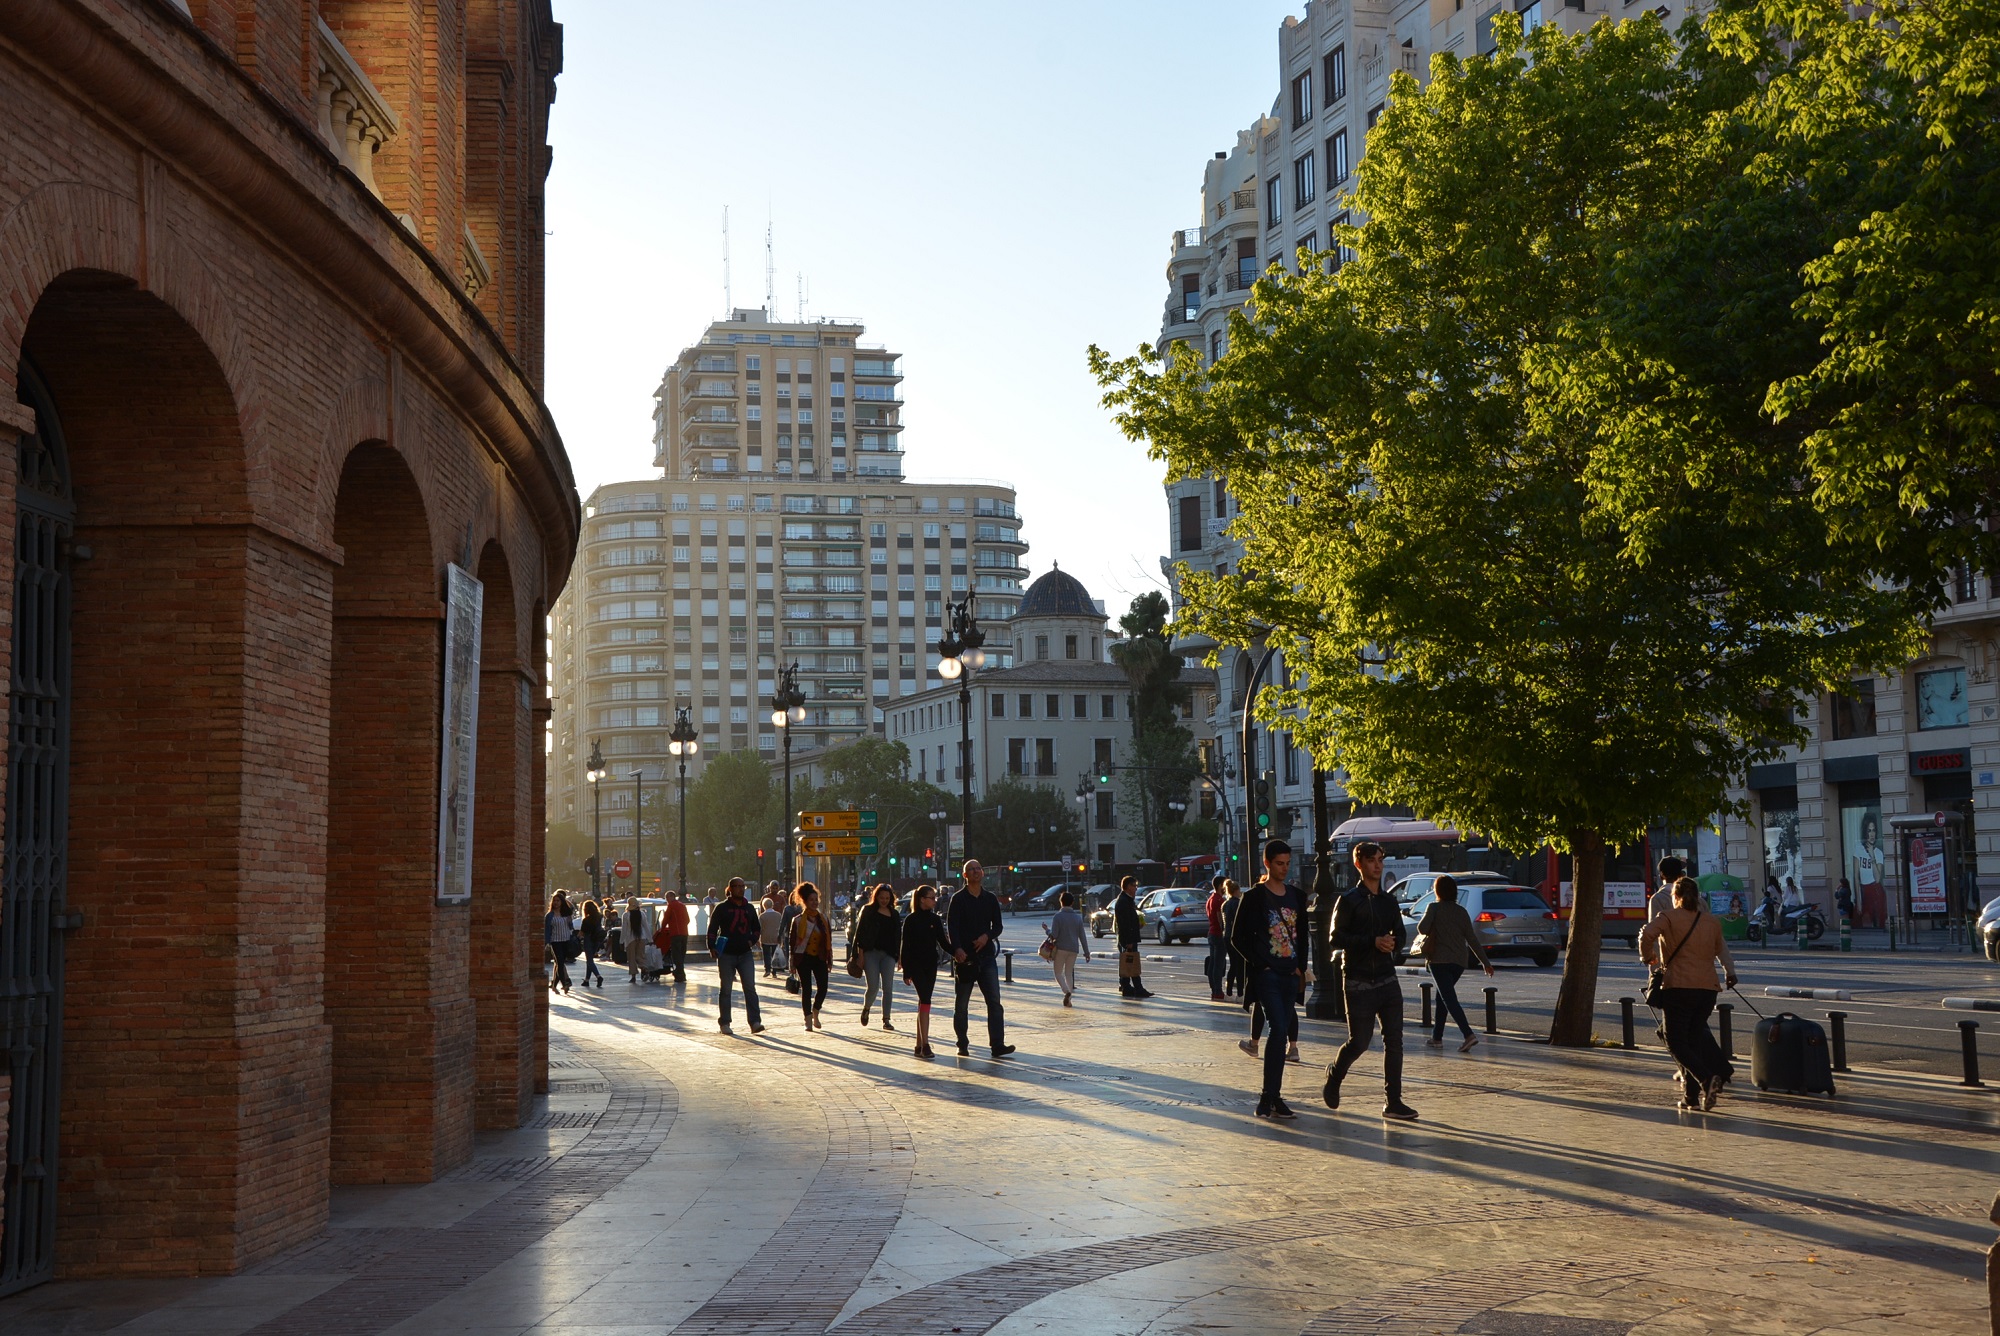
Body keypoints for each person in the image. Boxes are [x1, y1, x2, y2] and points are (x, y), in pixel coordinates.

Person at [1324, 840, 1417, 1120]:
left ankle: (1393, 1101)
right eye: (1372, 860)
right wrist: (1371, 942)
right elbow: (1335, 938)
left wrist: (1393, 942)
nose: (1378, 865)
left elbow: (1400, 933)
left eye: (1380, 859)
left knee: (1395, 1041)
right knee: (1360, 1042)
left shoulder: (1389, 901)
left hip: (1387, 979)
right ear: (1359, 864)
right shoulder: (1349, 900)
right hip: (1358, 980)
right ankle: (1335, 1074)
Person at [1638, 876, 1738, 1111]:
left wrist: (1647, 957)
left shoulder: (1668, 918)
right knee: (1693, 1041)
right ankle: (1690, 1098)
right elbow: (1721, 948)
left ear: (1676, 897)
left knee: (1674, 1041)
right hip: (1707, 989)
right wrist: (1730, 972)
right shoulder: (1711, 922)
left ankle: (1706, 1079)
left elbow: (1646, 934)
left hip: (1679, 987)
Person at [1229, 841, 1308, 1119]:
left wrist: (1300, 966)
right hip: (1268, 976)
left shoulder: (1297, 896)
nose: (1284, 868)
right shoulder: (1255, 897)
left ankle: (1272, 1097)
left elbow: (1303, 935)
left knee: (1281, 1030)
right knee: (1277, 1029)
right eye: (1279, 863)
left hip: (1289, 974)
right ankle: (1268, 1096)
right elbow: (1236, 937)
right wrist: (1260, 964)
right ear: (1268, 864)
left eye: (1287, 863)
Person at [1415, 875, 1494, 1052]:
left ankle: (1468, 1035)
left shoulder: (1433, 907)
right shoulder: (1461, 911)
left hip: (1439, 960)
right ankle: (1437, 1038)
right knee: (1442, 997)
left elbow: (1422, 928)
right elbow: (1472, 939)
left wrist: (1432, 917)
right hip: (1459, 962)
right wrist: (1485, 962)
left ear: (1437, 891)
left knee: (1448, 999)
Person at [945, 859, 1013, 1057]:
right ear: (965, 875)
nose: (975, 872)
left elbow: (998, 926)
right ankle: (962, 1043)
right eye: (971, 870)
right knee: (962, 1004)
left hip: (986, 957)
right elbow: (953, 927)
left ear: (982, 873)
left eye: (978, 869)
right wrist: (957, 949)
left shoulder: (990, 898)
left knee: (994, 1002)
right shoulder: (958, 899)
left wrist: (987, 936)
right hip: (965, 958)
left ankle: (997, 1044)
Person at [706, 877, 765, 1035]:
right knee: (726, 989)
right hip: (726, 954)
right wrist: (712, 947)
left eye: (742, 886)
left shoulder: (749, 909)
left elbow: (757, 929)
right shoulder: (721, 908)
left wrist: (751, 942)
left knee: (750, 988)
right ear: (730, 889)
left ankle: (755, 1022)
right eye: (737, 886)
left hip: (745, 953)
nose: (740, 889)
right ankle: (725, 1022)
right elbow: (712, 929)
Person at [900, 883, 947, 1058]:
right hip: (916, 965)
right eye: (932, 898)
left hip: (930, 965)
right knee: (925, 999)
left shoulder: (935, 920)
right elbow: (906, 946)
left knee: (924, 1001)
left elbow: (942, 942)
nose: (935, 901)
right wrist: (906, 970)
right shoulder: (911, 920)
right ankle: (926, 1045)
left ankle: (919, 1045)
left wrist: (958, 952)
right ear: (922, 900)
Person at [855, 882, 902, 1030]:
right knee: (873, 986)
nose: (884, 900)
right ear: (876, 897)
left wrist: (899, 956)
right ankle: (867, 1008)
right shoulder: (868, 911)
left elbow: (898, 936)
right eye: (881, 897)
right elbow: (860, 934)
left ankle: (886, 1019)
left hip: (888, 955)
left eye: (887, 898)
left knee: (888, 987)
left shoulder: (894, 914)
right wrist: (860, 956)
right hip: (871, 953)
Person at [789, 882, 834, 1030]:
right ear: (805, 902)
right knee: (806, 989)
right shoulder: (797, 921)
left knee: (823, 987)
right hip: (803, 958)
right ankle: (808, 1019)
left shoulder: (824, 919)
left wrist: (829, 959)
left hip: (819, 957)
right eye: (811, 900)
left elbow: (829, 940)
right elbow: (792, 944)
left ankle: (816, 1011)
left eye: (816, 900)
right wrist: (792, 964)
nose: (814, 902)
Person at [1047, 890, 1090, 1005]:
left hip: (1061, 949)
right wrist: (1086, 952)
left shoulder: (1058, 917)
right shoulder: (1077, 918)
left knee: (1058, 973)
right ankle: (1069, 1000)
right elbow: (1082, 936)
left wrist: (1047, 930)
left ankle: (1066, 992)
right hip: (1073, 949)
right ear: (1072, 903)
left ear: (1061, 902)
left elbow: (1054, 935)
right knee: (1068, 973)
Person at [1113, 877, 1151, 1000]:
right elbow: (1124, 923)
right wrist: (1128, 941)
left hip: (1129, 937)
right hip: (1128, 939)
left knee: (1129, 963)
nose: (1136, 888)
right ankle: (1136, 988)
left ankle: (1126, 986)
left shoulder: (1127, 900)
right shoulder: (1124, 901)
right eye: (1134, 886)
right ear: (1128, 887)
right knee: (1132, 963)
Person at [1853, 814, 1888, 929]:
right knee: (1860, 920)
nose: (1872, 834)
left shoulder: (1878, 853)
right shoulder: (1858, 849)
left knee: (1878, 921)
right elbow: (1856, 877)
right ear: (1865, 832)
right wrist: (1858, 899)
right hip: (1863, 890)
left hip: (1876, 890)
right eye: (1869, 831)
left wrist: (1872, 856)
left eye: (1873, 830)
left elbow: (1878, 878)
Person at [545, 891, 576, 995]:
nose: (556, 903)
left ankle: (554, 985)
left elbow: (571, 926)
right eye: (554, 901)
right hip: (555, 941)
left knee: (559, 963)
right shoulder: (550, 916)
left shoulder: (566, 914)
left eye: (558, 901)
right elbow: (547, 930)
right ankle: (565, 984)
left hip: (566, 940)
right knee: (560, 962)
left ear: (562, 902)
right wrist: (547, 942)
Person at [1204, 874, 1229, 1001]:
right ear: (1220, 886)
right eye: (1224, 885)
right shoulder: (1219, 900)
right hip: (1218, 934)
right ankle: (1218, 990)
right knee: (1218, 964)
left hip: (1211, 933)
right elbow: (1220, 917)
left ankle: (1214, 990)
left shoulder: (1210, 899)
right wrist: (1224, 930)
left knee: (1213, 963)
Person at [1221, 879, 1246, 997]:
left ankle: (1229, 989)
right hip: (1237, 937)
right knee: (1240, 965)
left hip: (1226, 936)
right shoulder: (1238, 903)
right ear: (1236, 891)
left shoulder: (1225, 904)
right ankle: (1240, 991)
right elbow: (1240, 922)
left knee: (1233, 963)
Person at [660, 889, 691, 985]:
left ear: (671, 897)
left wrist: (662, 928)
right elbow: (687, 919)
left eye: (667, 898)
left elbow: (666, 919)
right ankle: (681, 974)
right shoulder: (682, 905)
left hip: (675, 933)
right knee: (682, 954)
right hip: (684, 933)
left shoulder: (671, 906)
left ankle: (679, 975)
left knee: (676, 955)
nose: (667, 900)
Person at [1647, 856, 1688, 921]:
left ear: (1661, 876)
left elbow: (1654, 928)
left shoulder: (1658, 899)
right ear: (1681, 874)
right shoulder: (1695, 897)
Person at [578, 898, 606, 990]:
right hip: (597, 940)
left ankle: (598, 976)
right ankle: (586, 980)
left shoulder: (586, 920)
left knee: (589, 961)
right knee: (590, 961)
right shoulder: (599, 917)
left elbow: (582, 933)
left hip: (588, 939)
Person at [622, 896, 651, 984]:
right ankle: (644, 968)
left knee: (631, 958)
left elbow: (624, 929)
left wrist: (621, 941)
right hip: (641, 937)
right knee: (640, 956)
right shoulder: (642, 914)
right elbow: (646, 927)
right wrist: (650, 939)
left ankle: (633, 976)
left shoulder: (626, 915)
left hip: (630, 939)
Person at [759, 896, 785, 977]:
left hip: (765, 936)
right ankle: (774, 971)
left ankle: (767, 970)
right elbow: (781, 927)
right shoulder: (778, 915)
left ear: (764, 906)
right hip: (775, 937)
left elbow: (759, 928)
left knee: (766, 954)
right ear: (772, 905)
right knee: (774, 954)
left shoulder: (762, 916)